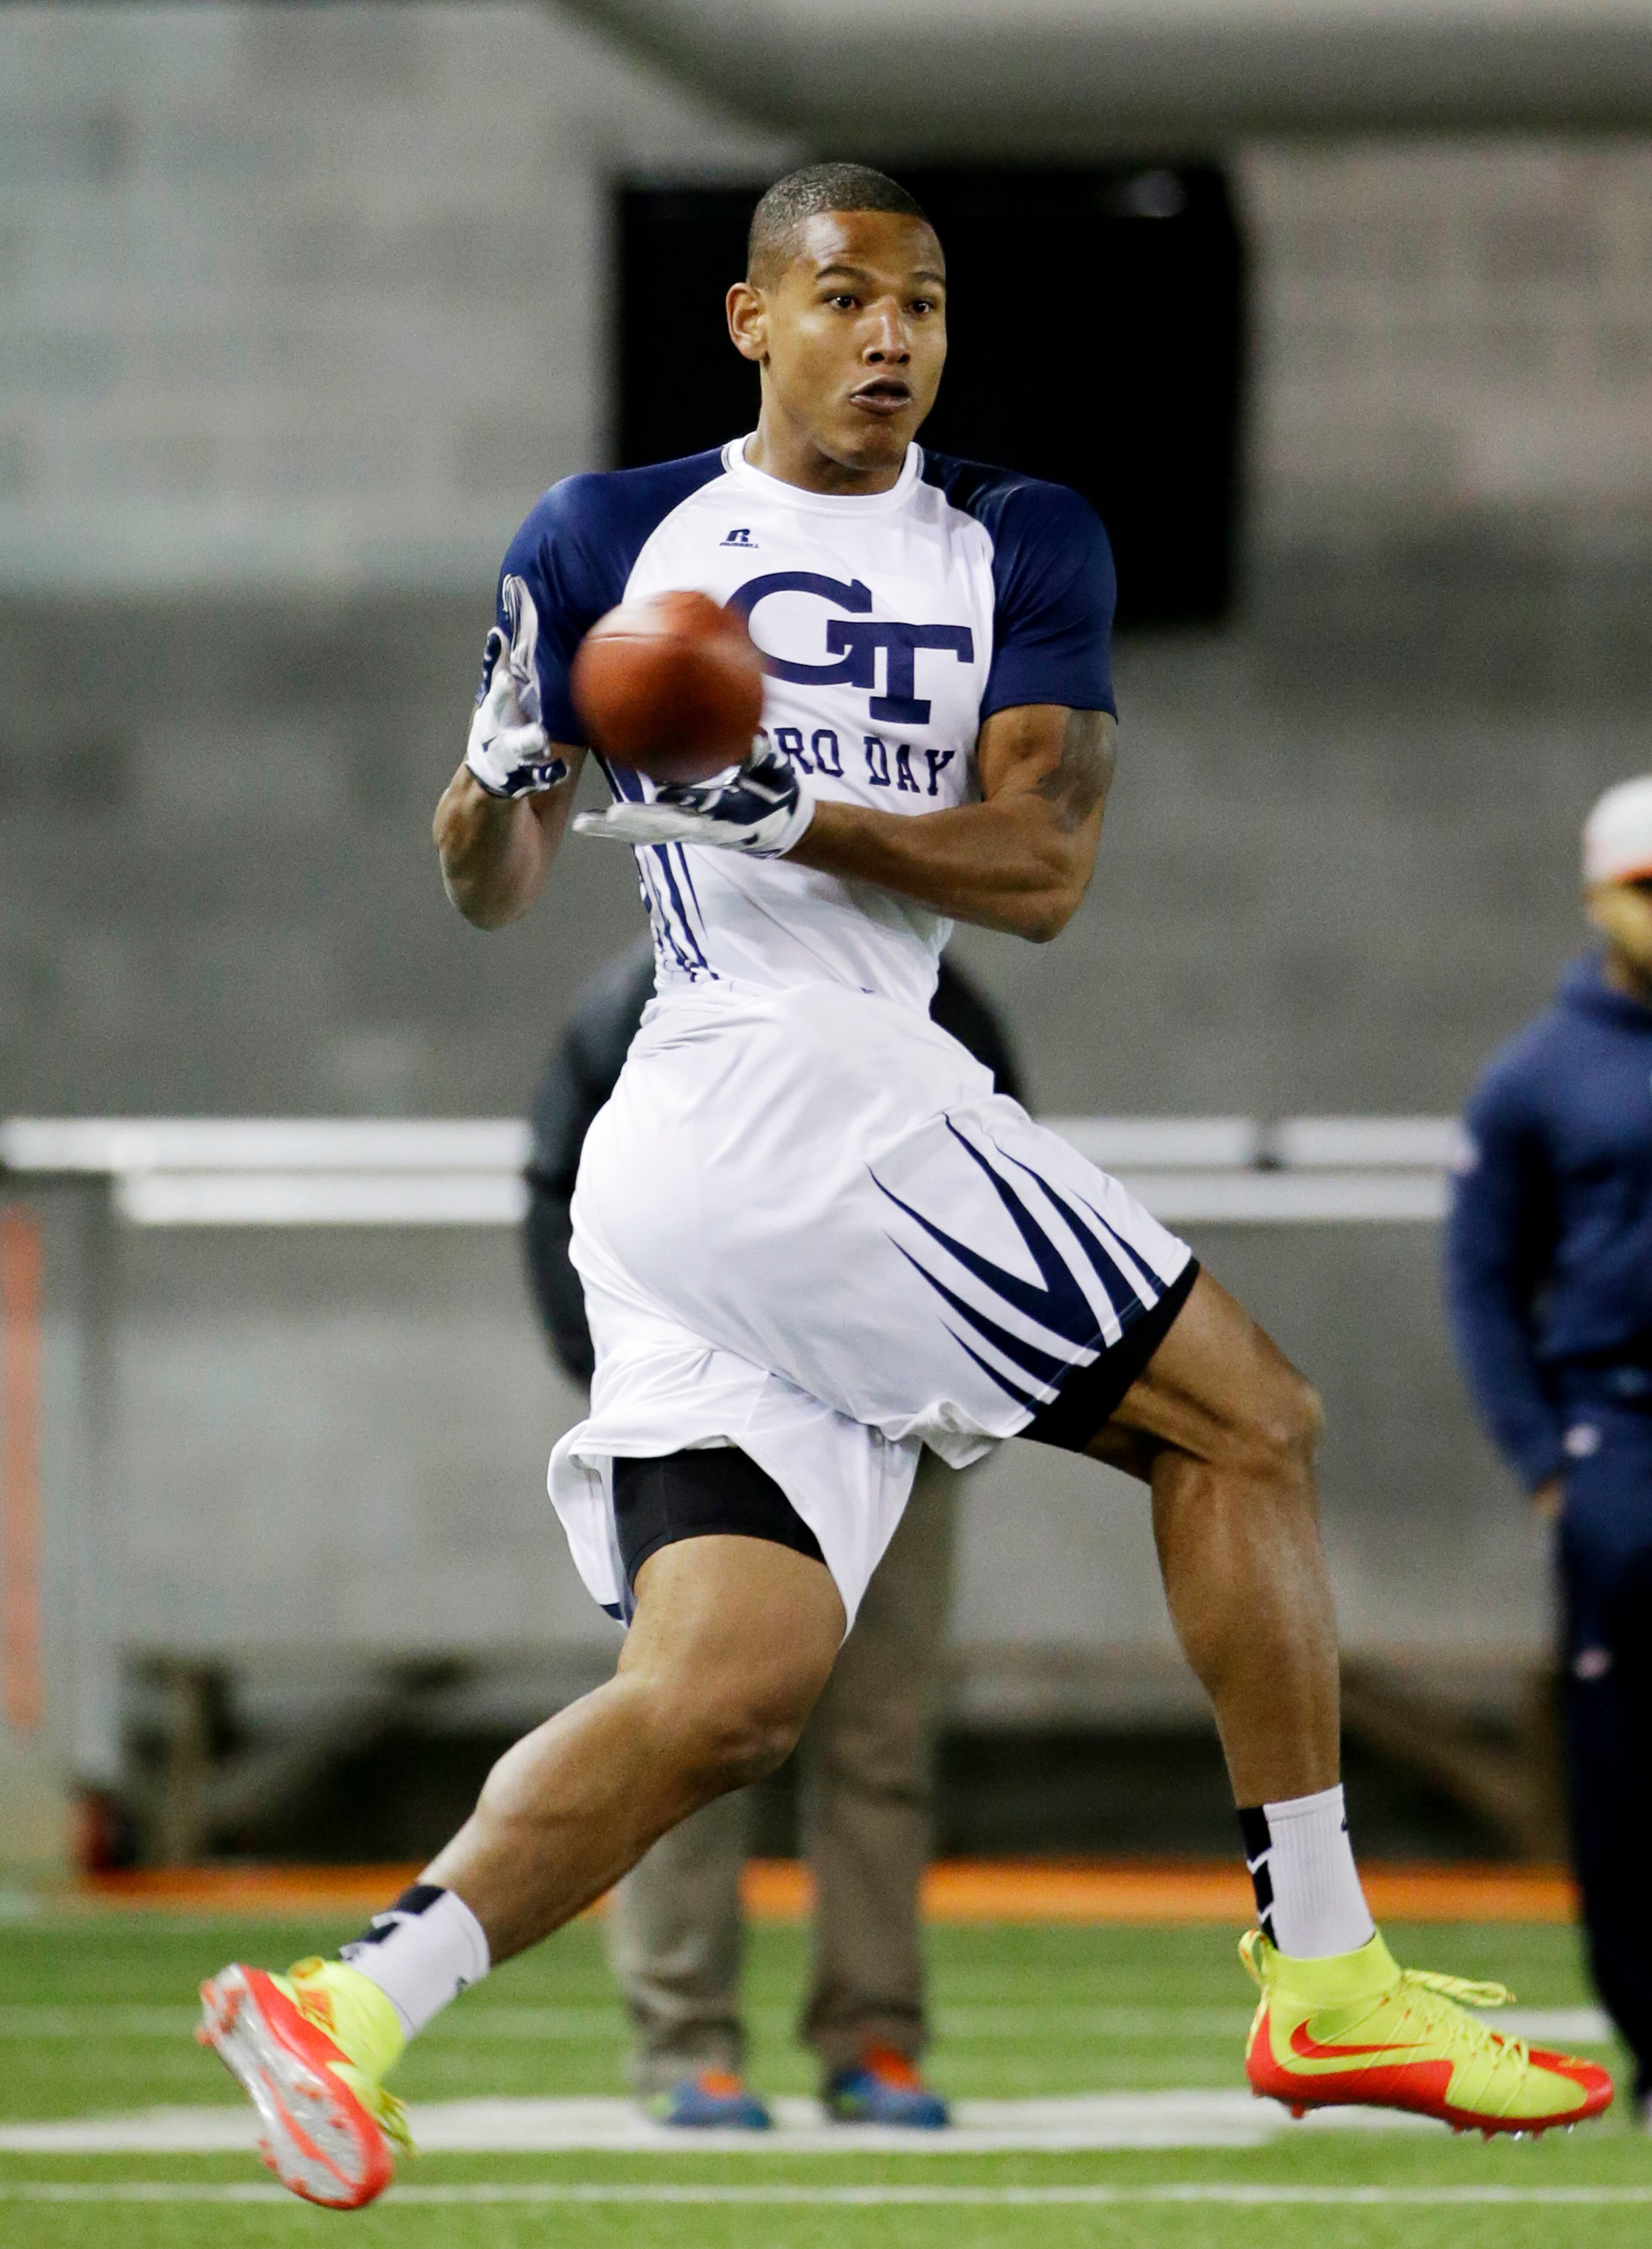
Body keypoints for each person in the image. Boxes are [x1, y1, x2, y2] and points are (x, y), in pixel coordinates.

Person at [197, 161, 1611, 2209]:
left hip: (723, 1163)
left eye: (925, 306)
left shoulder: (1022, 536)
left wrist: (788, 802)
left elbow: (1038, 872)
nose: (893, 339)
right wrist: (502, 764)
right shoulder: (606, 535)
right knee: (1257, 1422)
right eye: (850, 298)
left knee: (724, 1691)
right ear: (749, 319)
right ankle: (1328, 1968)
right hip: (791, 1097)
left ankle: (355, 2003)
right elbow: (496, 888)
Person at [525, 938, 1025, 2127]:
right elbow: (557, 1189)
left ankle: (873, 2037)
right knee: (691, 1729)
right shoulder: (632, 1003)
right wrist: (620, 1371)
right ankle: (683, 2039)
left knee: (880, 1746)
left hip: (897, 1418)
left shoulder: (935, 995)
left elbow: (1010, 1185)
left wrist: (982, 1375)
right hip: (715, 1420)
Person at [1446, 775, 1652, 2124]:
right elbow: (1482, 1280)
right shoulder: (1538, 1073)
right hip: (1621, 1432)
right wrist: (1544, 1458)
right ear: (1597, 894)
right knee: (1627, 1759)